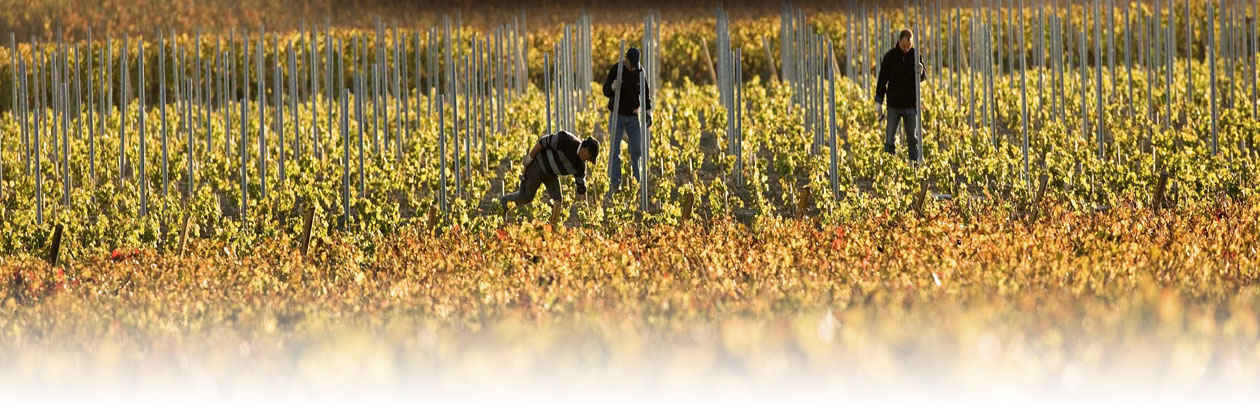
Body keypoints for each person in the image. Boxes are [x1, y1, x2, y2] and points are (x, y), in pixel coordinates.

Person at [499, 131, 600, 212]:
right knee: (525, 197)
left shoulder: (580, 166)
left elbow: (581, 187)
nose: (588, 161)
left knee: (557, 202)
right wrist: (530, 157)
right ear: (586, 151)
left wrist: (585, 208)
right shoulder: (566, 140)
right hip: (537, 166)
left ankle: (551, 230)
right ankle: (502, 203)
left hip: (550, 174)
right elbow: (543, 142)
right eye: (589, 158)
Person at [602, 47, 652, 193]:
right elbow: (605, 90)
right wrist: (612, 87)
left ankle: (638, 181)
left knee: (637, 150)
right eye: (631, 64)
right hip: (617, 115)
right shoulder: (616, 69)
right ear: (626, 59)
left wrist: (648, 111)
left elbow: (645, 92)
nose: (632, 68)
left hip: (633, 116)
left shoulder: (639, 71)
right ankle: (615, 183)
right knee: (615, 150)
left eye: (634, 66)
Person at [874, 29, 928, 163]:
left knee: (912, 140)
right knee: (889, 139)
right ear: (899, 42)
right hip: (894, 105)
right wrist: (879, 101)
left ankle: (914, 167)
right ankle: (889, 165)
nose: (906, 48)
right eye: (904, 45)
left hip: (911, 105)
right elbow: (882, 80)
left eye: (909, 46)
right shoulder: (890, 57)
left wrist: (921, 71)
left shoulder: (915, 55)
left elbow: (923, 76)